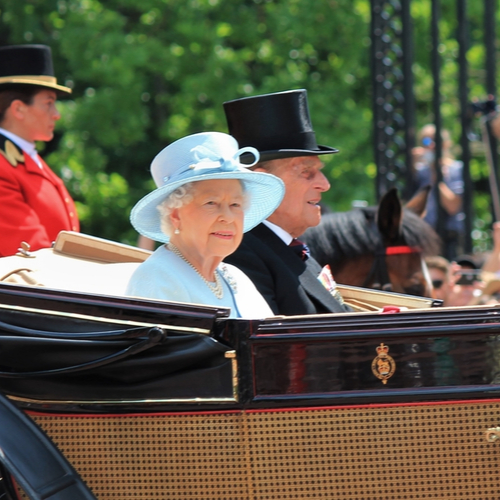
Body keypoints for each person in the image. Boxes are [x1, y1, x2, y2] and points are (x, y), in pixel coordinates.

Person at [125, 131, 285, 318]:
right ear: (175, 214)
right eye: (211, 203)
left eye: (235, 204)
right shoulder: (158, 277)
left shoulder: (235, 277)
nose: (228, 217)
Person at [223, 89, 351, 315]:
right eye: (306, 172)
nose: (324, 184)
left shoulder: (289, 247)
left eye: (319, 171)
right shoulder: (239, 254)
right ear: (263, 183)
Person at [0, 44, 79, 257]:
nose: (56, 114)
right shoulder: (4, 166)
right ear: (18, 109)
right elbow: (28, 250)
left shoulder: (24, 159)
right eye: (48, 103)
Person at [412, 124, 464, 261]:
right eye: (426, 141)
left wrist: (437, 177)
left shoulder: (457, 169)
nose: (431, 145)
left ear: (446, 143)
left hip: (449, 238)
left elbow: (453, 207)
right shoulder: (419, 171)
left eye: (436, 140)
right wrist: (411, 167)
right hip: (422, 237)